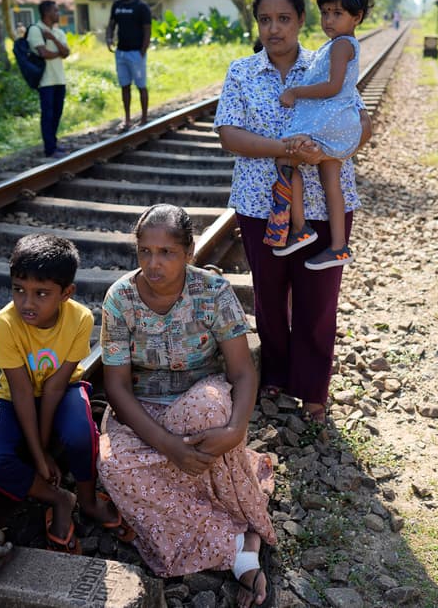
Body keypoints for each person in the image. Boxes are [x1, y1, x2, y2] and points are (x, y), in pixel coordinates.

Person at [97, 205, 277, 608]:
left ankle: (224, 507)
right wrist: (168, 447)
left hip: (198, 403)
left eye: (166, 253)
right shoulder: (120, 298)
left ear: (189, 252)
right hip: (141, 413)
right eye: (145, 251)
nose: (153, 264)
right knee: (113, 466)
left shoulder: (213, 293)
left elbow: (243, 373)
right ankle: (234, 541)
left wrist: (234, 431)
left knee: (213, 411)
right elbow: (118, 389)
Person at [214, 0, 372, 425]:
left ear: (302, 20)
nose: (274, 29)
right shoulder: (241, 72)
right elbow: (229, 134)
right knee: (269, 296)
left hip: (324, 204)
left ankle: (313, 391)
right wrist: (282, 149)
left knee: (318, 300)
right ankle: (277, 378)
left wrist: (328, 152)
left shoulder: (326, 60)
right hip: (259, 205)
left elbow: (364, 123)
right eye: (265, 20)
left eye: (284, 18)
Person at [0, 233, 131, 555]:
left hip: (63, 390)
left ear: (66, 293)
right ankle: (59, 498)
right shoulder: (5, 323)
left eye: (41, 293)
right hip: (15, 398)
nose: (27, 303)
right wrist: (39, 453)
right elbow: (21, 390)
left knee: (81, 433)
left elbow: (57, 386)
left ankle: (87, 500)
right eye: (19, 289)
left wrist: (43, 449)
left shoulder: (80, 318)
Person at [268, 0, 373, 270]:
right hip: (338, 122)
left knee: (285, 159)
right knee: (332, 183)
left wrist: (296, 91)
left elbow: (333, 86)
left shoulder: (340, 46)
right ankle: (339, 247)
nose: (329, 20)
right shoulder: (341, 44)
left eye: (337, 13)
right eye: (325, 13)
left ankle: (300, 228)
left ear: (357, 17)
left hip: (327, 120)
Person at [106, 0, 152, 131]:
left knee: (141, 86)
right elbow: (111, 24)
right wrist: (109, 38)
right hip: (121, 53)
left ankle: (144, 118)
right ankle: (127, 119)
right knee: (125, 86)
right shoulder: (117, 5)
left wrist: (142, 51)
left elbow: (147, 30)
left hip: (136, 53)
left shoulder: (141, 7)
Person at [28, 0, 70, 158]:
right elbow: (43, 54)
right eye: (56, 11)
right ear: (47, 13)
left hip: (59, 79)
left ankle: (53, 143)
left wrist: (53, 38)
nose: (58, 14)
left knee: (57, 113)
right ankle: (49, 149)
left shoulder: (58, 33)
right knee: (48, 114)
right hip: (45, 81)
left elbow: (66, 52)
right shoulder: (35, 30)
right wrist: (59, 53)